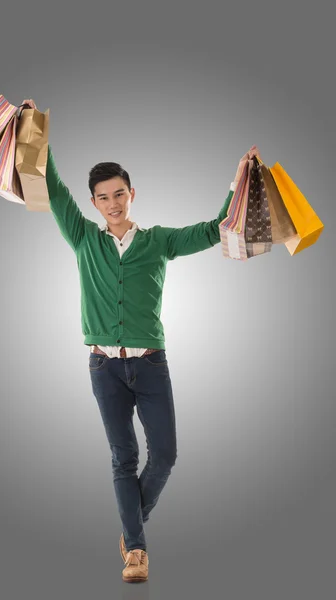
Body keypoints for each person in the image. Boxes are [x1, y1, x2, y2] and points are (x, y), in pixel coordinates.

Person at [22, 99, 257, 583]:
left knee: (166, 455)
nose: (113, 202)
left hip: (151, 364)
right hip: (103, 367)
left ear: (132, 194)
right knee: (123, 458)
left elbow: (214, 230)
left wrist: (239, 180)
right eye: (103, 197)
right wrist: (33, 127)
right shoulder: (83, 237)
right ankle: (137, 554)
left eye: (120, 193)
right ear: (93, 203)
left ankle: (130, 529)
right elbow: (51, 185)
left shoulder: (158, 241)